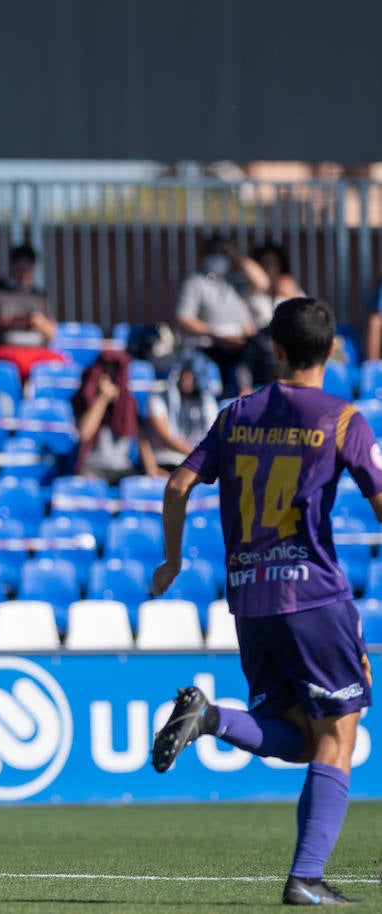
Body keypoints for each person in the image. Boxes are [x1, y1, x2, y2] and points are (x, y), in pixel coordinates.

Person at [150, 297, 376, 906]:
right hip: (315, 596)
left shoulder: (235, 414)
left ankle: (210, 718)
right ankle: (305, 879)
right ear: (333, 351)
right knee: (338, 735)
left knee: (300, 739)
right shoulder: (341, 417)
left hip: (249, 597)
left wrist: (172, 560)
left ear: (274, 347)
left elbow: (176, 484)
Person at [174, 235, 269, 397]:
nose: (219, 258)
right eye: (215, 253)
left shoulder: (234, 281)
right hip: (209, 346)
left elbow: (262, 282)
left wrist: (236, 256)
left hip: (242, 345)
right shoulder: (196, 283)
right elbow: (183, 319)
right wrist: (216, 335)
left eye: (223, 254)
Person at [0, 243, 59, 380]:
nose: (23, 275)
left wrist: (38, 322)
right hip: (5, 350)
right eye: (20, 269)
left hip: (37, 351)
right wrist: (1, 322)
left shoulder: (39, 296)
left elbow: (53, 332)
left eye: (27, 270)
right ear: (12, 266)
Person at [71, 350, 159, 481]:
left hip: (123, 468)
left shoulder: (129, 404)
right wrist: (102, 399)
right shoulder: (85, 401)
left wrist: (152, 469)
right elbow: (84, 433)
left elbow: (141, 439)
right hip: (93, 467)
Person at [145, 352, 221, 473]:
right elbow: (166, 438)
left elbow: (212, 436)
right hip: (168, 462)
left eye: (192, 376)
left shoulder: (207, 402)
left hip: (196, 463)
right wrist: (196, 454)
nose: (187, 380)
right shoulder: (158, 399)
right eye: (184, 374)